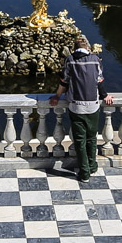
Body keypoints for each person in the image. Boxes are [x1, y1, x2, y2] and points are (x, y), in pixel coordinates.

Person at [49, 33, 113, 183]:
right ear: (87, 47)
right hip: (93, 106)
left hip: (76, 106)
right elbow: (100, 82)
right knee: (92, 137)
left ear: (75, 48)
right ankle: (93, 166)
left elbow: (64, 82)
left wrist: (57, 97)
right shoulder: (96, 60)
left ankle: (84, 173)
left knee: (80, 140)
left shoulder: (70, 60)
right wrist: (105, 96)